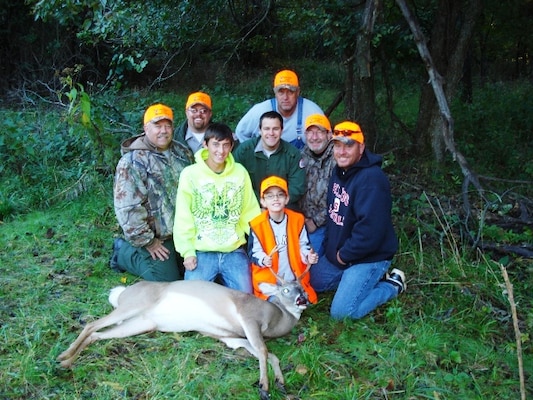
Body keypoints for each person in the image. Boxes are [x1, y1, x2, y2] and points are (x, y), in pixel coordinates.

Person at [309, 121, 406, 320]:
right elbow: (333, 213)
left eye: (349, 145)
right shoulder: (340, 171)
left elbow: (370, 232)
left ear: (361, 147)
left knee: (342, 313)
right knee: (313, 281)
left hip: (368, 256)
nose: (342, 151)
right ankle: (357, 282)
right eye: (337, 145)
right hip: (343, 252)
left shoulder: (372, 180)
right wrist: (330, 247)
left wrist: (343, 256)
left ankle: (391, 285)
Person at [173, 122, 261, 293]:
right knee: (190, 299)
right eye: (215, 144)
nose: (220, 151)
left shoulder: (239, 172)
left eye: (225, 145)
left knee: (247, 300)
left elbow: (249, 212)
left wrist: (262, 243)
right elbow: (184, 216)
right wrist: (187, 251)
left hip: (233, 251)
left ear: (231, 146)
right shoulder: (190, 174)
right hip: (202, 252)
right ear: (205, 144)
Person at [111, 103, 194, 281]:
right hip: (157, 238)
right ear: (145, 128)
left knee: (194, 272)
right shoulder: (131, 162)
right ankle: (123, 253)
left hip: (184, 232)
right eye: (157, 125)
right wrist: (148, 241)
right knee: (168, 282)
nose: (163, 131)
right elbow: (127, 208)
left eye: (167, 125)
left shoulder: (182, 152)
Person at [248, 176, 318, 303]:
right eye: (269, 196)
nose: (275, 199)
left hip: (293, 278)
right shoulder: (257, 225)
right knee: (274, 302)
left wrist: (308, 256)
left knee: (301, 300)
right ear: (263, 202)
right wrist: (263, 259)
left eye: (280, 195)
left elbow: (304, 245)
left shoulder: (297, 220)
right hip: (270, 280)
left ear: (287, 199)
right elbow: (254, 252)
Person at [233, 111, 306, 211]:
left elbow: (297, 188)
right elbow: (235, 181)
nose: (271, 133)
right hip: (251, 206)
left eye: (275, 129)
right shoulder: (244, 150)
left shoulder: (293, 154)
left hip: (284, 207)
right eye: (266, 129)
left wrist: (275, 205)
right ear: (260, 130)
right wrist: (260, 203)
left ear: (282, 130)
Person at [235, 70, 325, 149]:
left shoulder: (313, 112)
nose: (285, 97)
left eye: (290, 92)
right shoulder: (259, 111)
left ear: (298, 92)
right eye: (281, 92)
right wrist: (253, 154)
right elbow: (240, 132)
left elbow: (326, 140)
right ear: (275, 93)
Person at [299, 114, 336, 256]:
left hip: (326, 224)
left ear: (329, 134)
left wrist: (316, 221)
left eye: (320, 131)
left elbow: (343, 199)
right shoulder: (300, 156)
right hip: (301, 222)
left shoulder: (338, 159)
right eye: (310, 132)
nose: (314, 137)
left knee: (309, 263)